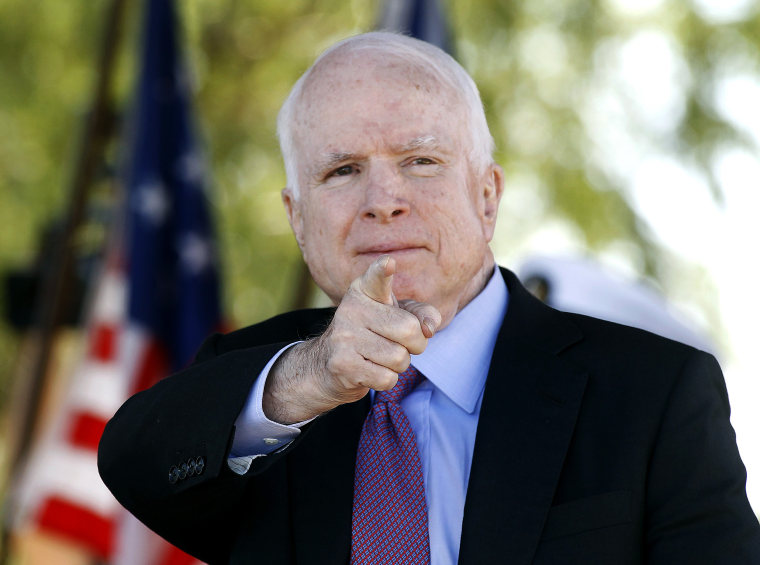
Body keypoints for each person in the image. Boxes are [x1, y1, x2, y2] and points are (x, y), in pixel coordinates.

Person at [98, 32, 760, 565]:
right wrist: (308, 378)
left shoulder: (654, 391)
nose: (384, 201)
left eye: (421, 161)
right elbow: (130, 461)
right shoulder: (265, 384)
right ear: (298, 220)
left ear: (488, 196)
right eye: (342, 170)